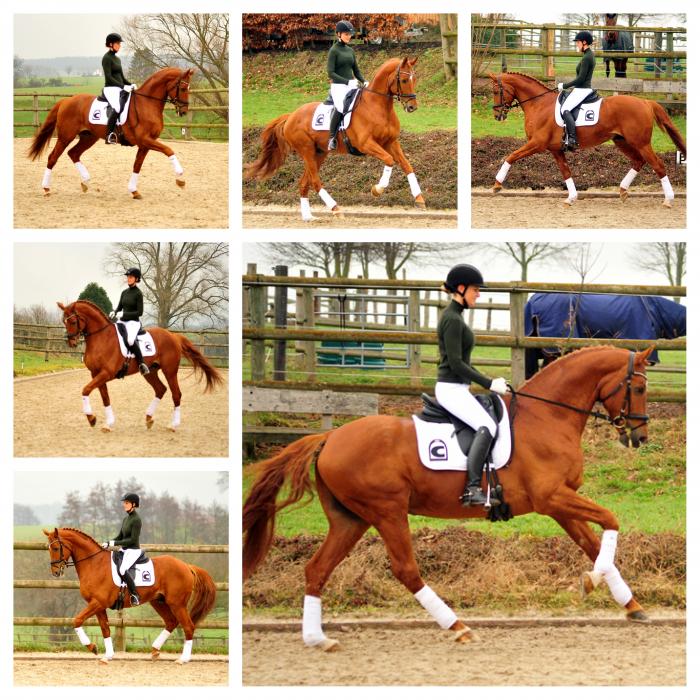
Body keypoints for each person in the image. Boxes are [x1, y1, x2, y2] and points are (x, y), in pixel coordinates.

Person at [436, 264, 509, 507]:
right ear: (461, 288)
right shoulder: (452, 320)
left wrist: (490, 381)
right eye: (476, 289)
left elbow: (462, 363)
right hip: (450, 389)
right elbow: (456, 364)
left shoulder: (455, 317)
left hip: (457, 387)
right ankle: (472, 489)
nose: (478, 294)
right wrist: (489, 383)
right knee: (487, 425)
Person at [326, 20, 369, 151]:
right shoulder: (333, 51)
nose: (349, 36)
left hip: (351, 85)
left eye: (350, 34)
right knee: (340, 107)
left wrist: (364, 81)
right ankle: (332, 138)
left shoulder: (350, 50)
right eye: (346, 34)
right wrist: (347, 81)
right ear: (338, 34)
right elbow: (330, 72)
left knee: (362, 102)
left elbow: (356, 70)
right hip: (338, 87)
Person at [557, 31, 596, 151]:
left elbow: (580, 79)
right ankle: (568, 137)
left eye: (578, 42)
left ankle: (572, 139)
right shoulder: (589, 55)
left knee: (565, 109)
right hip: (582, 89)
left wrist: (565, 85)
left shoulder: (586, 58)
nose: (577, 45)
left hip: (582, 89)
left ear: (584, 42)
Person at [102, 493, 143, 606]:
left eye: (126, 503)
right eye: (124, 503)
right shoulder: (126, 519)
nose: (124, 505)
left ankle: (135, 595)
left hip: (133, 550)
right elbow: (120, 536)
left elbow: (132, 540)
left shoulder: (136, 520)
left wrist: (114, 543)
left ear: (133, 504)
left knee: (122, 569)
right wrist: (108, 542)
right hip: (125, 550)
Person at [113, 267, 149, 375]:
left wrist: (124, 314)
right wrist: (114, 312)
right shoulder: (124, 292)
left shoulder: (138, 294)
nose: (128, 279)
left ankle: (142, 363)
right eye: (128, 277)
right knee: (112, 333)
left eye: (131, 277)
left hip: (133, 322)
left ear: (136, 279)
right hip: (122, 321)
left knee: (130, 340)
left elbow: (140, 312)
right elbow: (119, 307)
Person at [102, 32, 137, 144]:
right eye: (118, 43)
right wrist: (123, 86)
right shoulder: (106, 58)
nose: (119, 46)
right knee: (117, 107)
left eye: (119, 43)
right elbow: (109, 77)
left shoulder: (117, 59)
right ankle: (109, 135)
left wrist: (130, 84)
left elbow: (121, 77)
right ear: (111, 44)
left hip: (119, 87)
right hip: (110, 88)